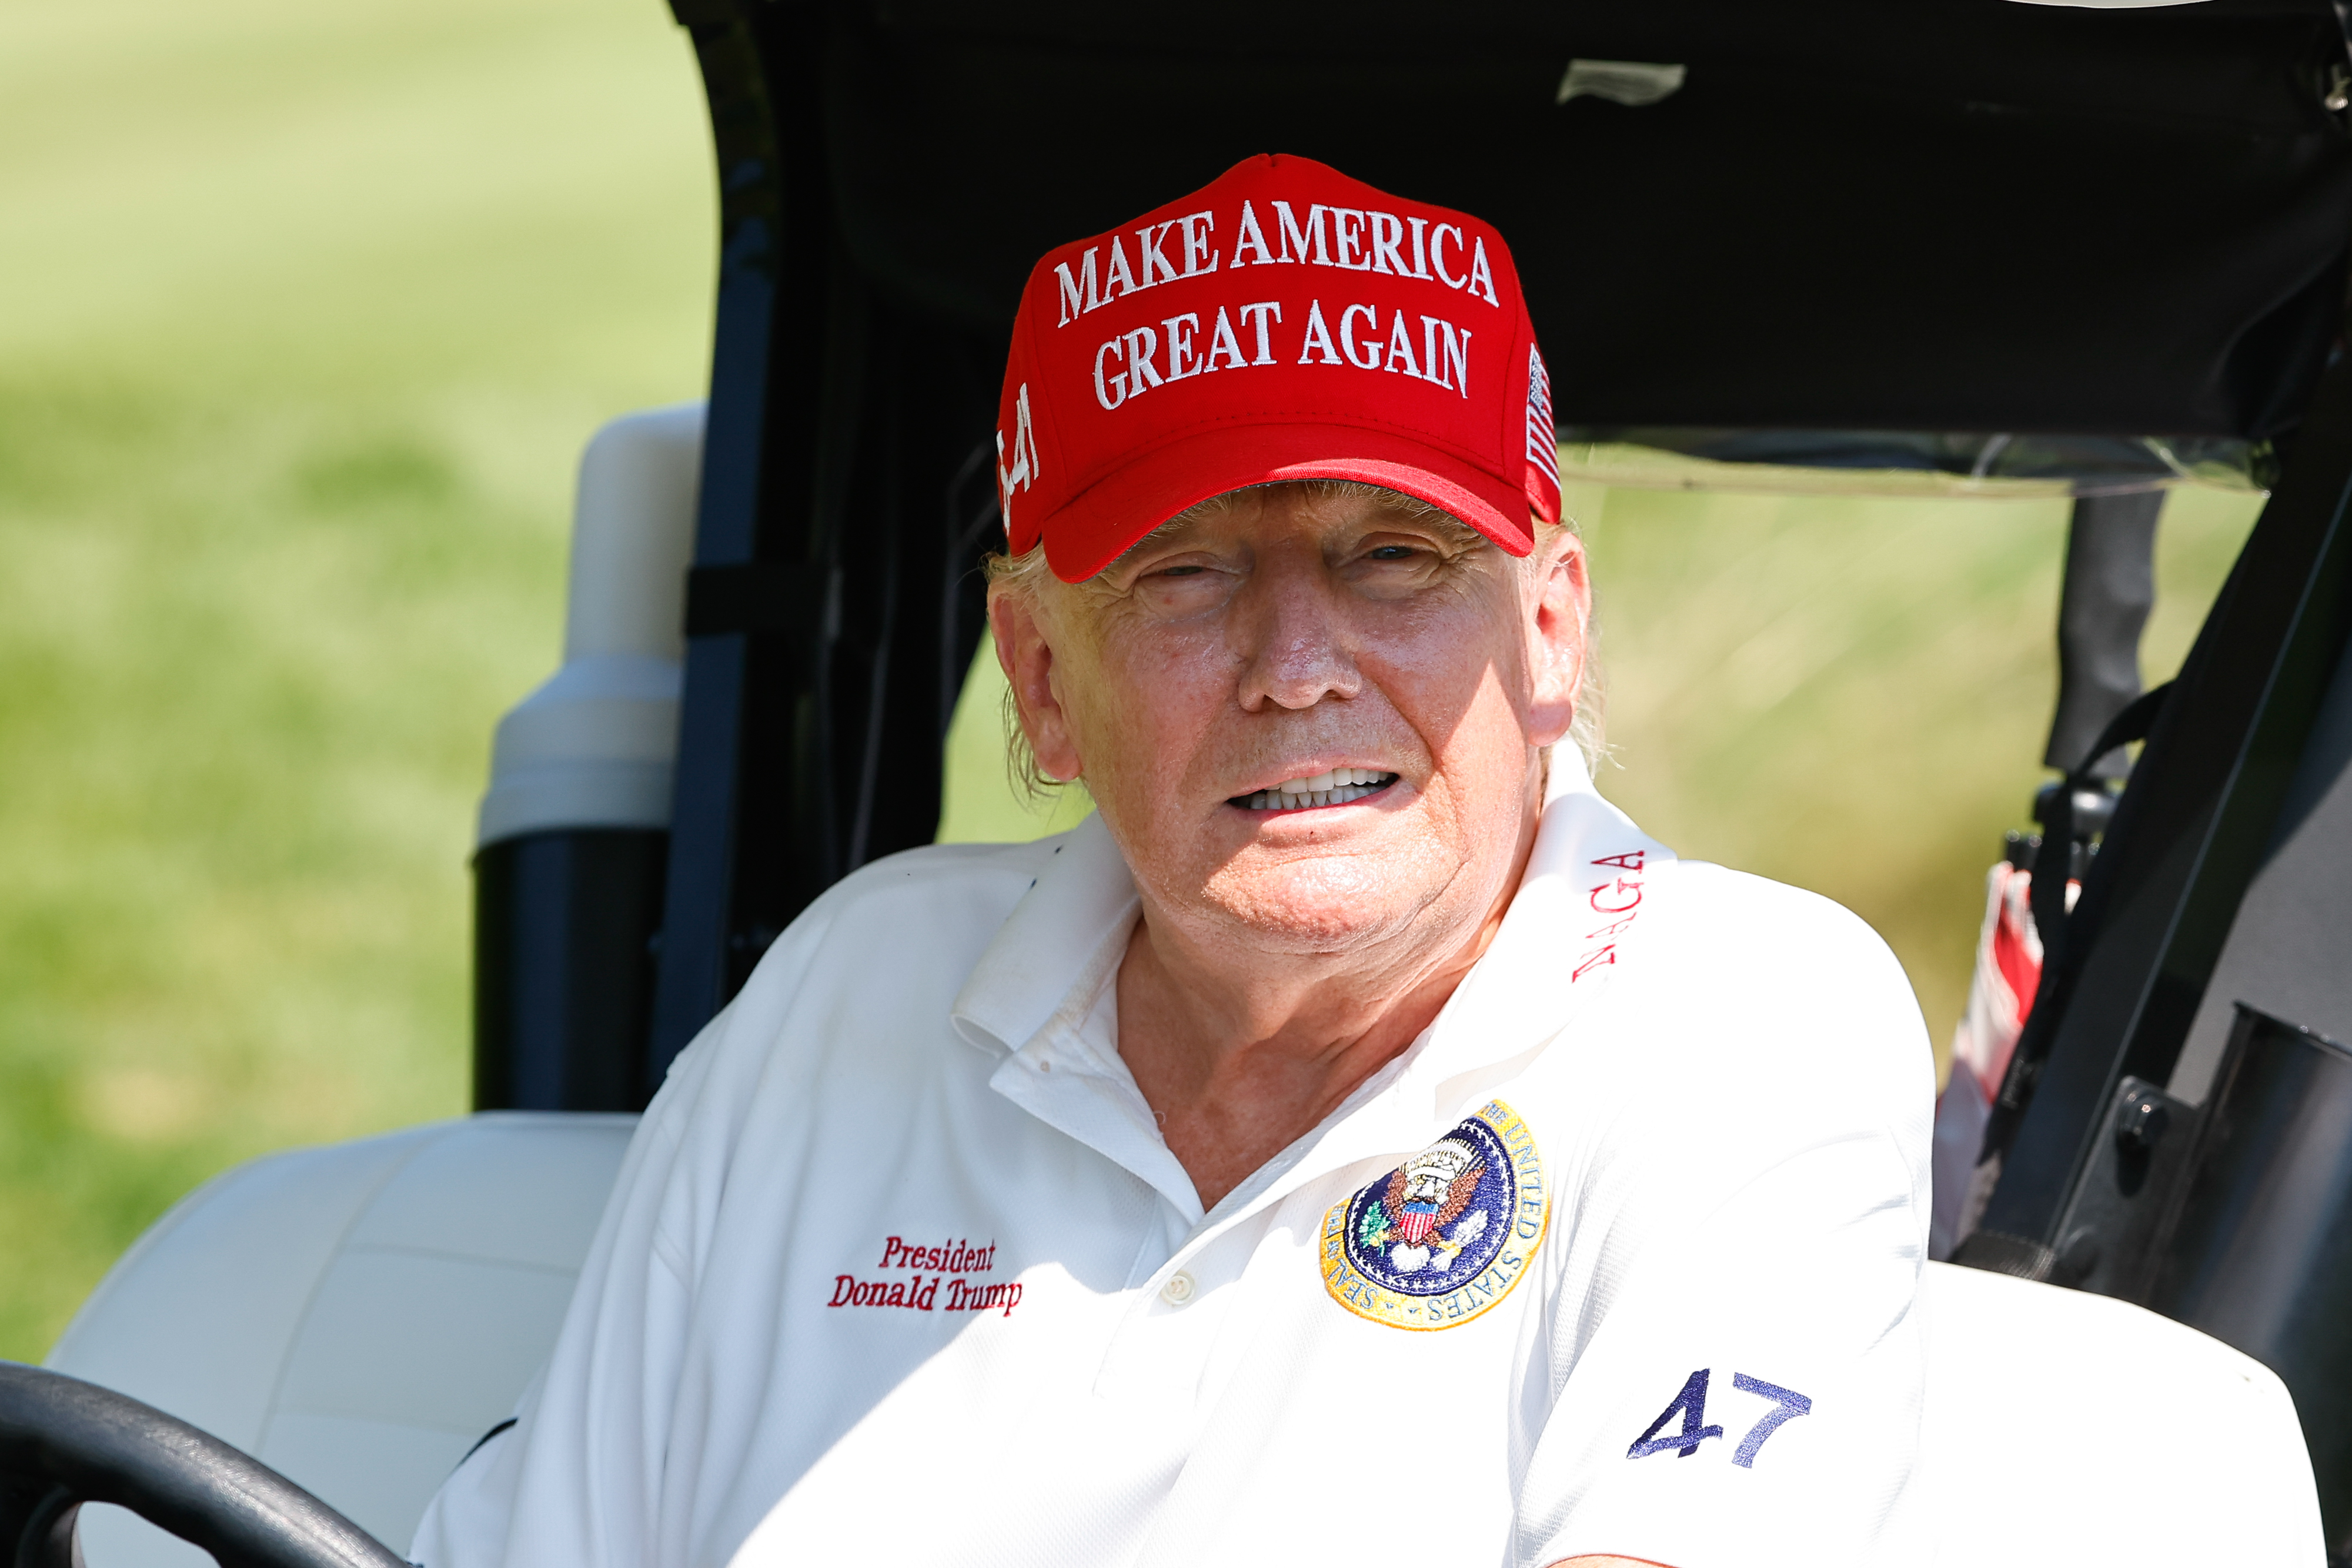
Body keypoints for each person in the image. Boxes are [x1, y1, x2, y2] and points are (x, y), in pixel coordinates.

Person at [412, 152, 1932, 1568]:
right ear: (1043, 675)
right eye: (1187, 572)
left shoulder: (1744, 1014)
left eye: (1392, 554)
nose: (1294, 665)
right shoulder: (849, 990)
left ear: (1549, 627)